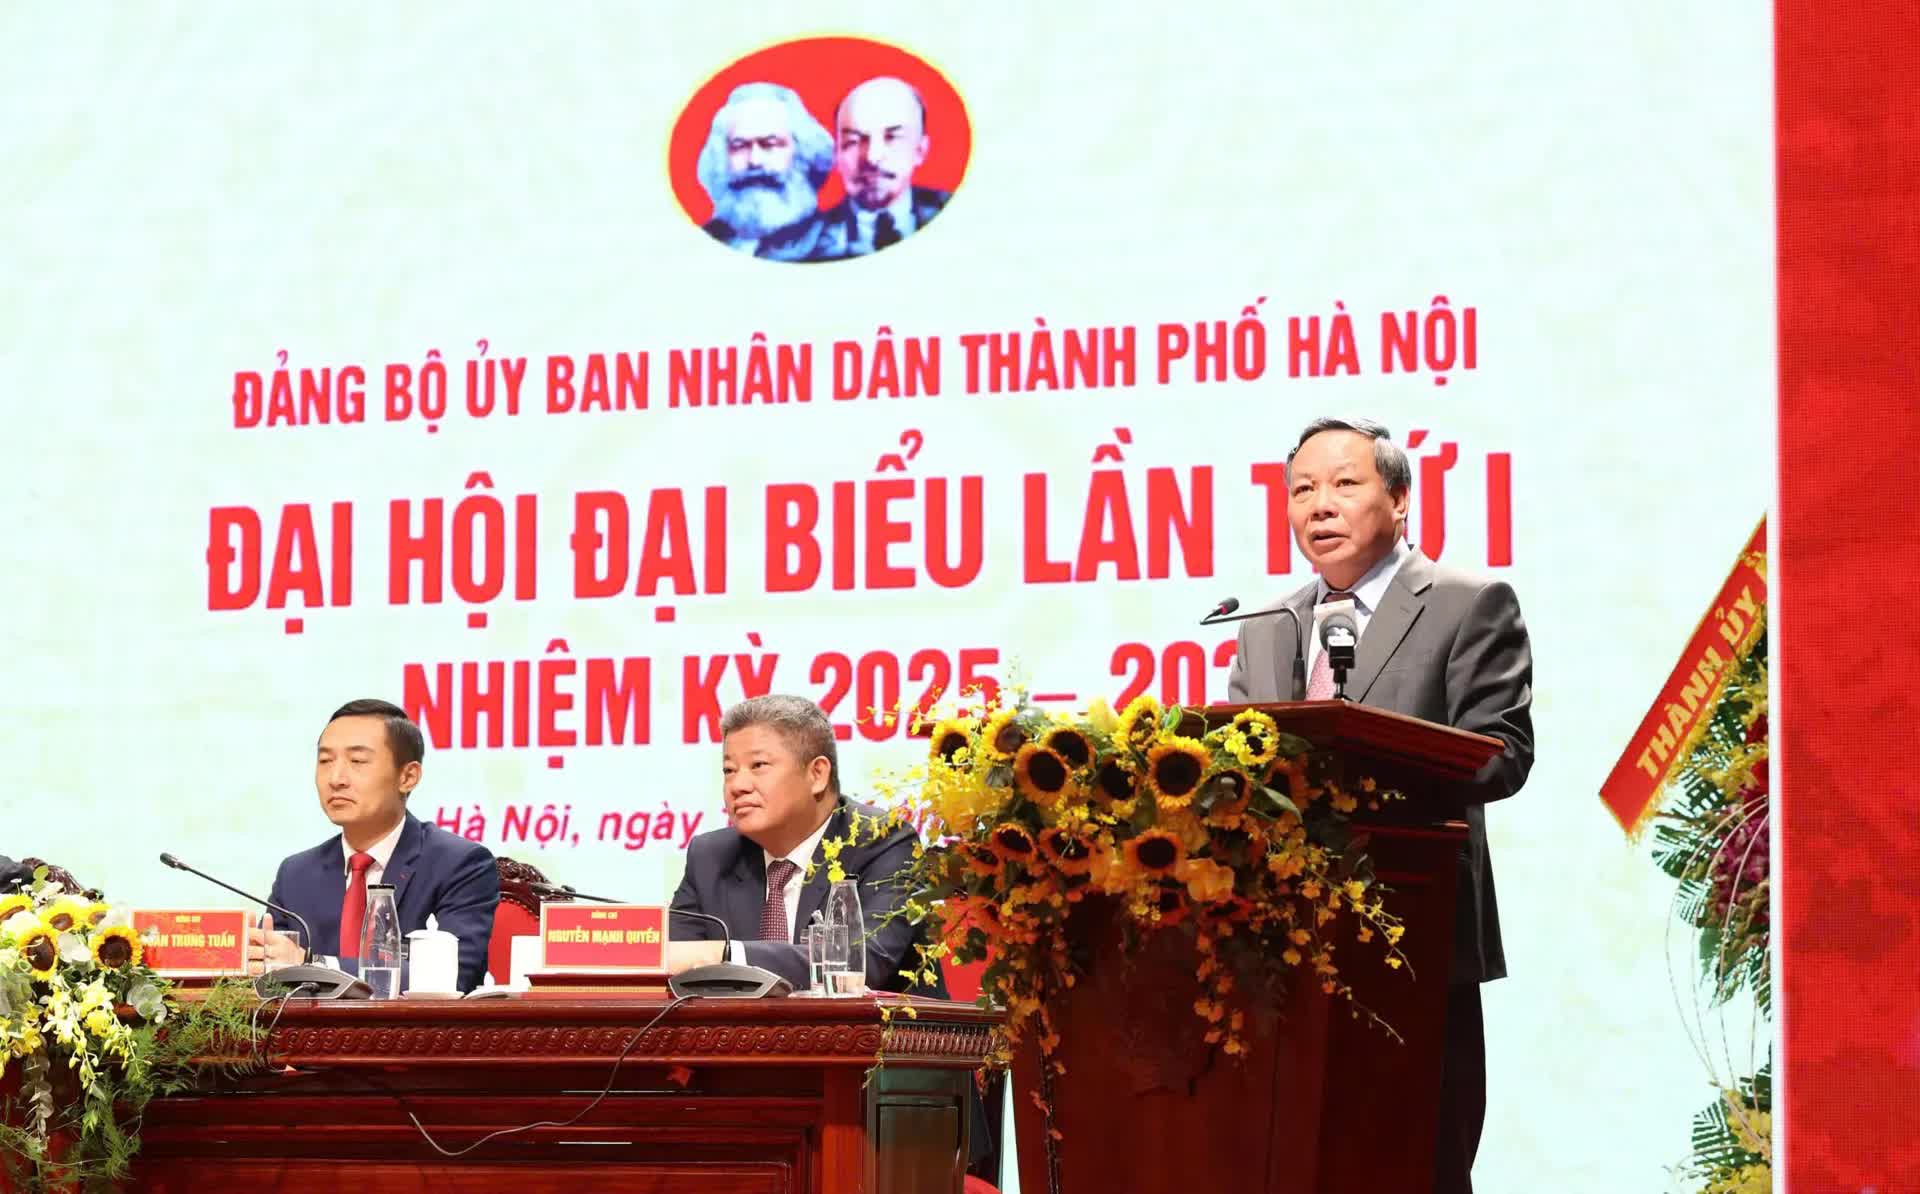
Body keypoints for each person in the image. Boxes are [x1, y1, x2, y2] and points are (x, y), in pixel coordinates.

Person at [1226, 416, 1534, 1194]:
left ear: (1399, 500)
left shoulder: (1468, 604)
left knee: (1419, 1166)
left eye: (1343, 484)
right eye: (1302, 490)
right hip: (1281, 951)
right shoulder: (1267, 628)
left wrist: (1364, 774)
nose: (1319, 506)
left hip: (1414, 938)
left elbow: (1503, 752)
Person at [667, 694, 937, 993]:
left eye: (758, 765)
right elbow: (670, 962)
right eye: (729, 770)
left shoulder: (883, 841)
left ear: (817, 774)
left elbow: (863, 964)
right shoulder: (710, 857)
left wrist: (724, 954)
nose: (737, 786)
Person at [254, 699, 499, 992]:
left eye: (357, 762)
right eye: (325, 761)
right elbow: (265, 976)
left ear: (408, 777)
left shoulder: (459, 864)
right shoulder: (296, 873)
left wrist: (312, 964)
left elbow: (452, 976)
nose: (336, 779)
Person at [804, 76, 950, 261]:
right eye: (853, 141)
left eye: (892, 137)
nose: (872, 158)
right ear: (837, 153)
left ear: (920, 150)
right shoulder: (804, 245)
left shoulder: (963, 216)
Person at [695, 82, 836, 262]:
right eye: (739, 146)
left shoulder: (834, 242)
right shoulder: (702, 242)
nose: (754, 160)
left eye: (770, 144)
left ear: (802, 153)